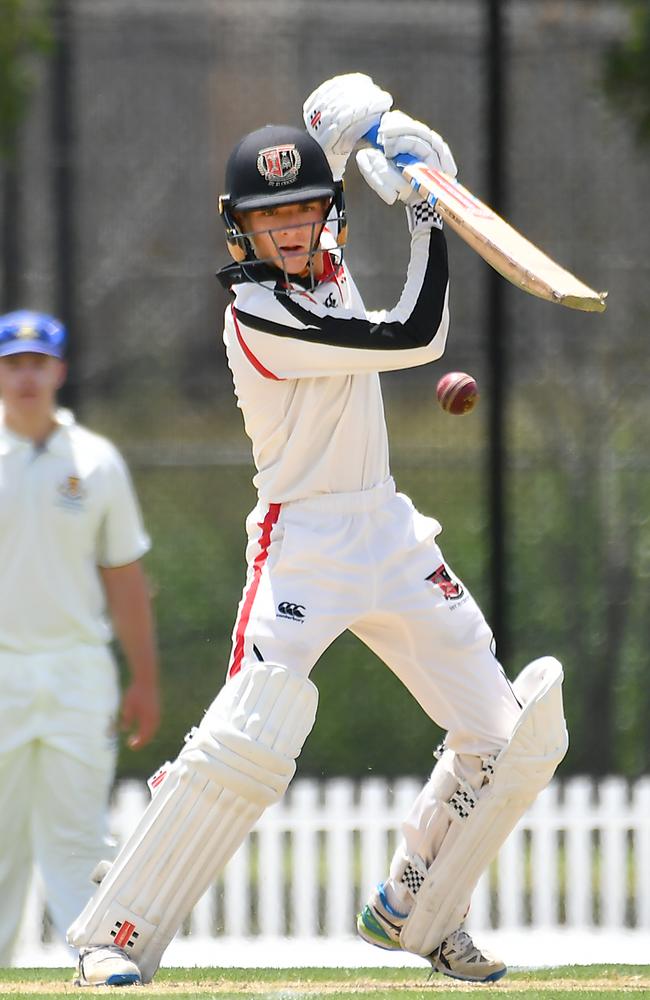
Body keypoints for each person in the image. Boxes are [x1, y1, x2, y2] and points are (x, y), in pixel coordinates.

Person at [67, 73, 567, 987]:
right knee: (247, 737)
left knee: (505, 737)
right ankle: (118, 931)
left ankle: (420, 906)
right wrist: (423, 212)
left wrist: (376, 128)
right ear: (241, 231)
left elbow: (327, 140)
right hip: (301, 544)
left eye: (305, 213)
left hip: (389, 529)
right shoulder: (257, 315)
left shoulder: (325, 256)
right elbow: (416, 333)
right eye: (271, 220)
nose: (292, 230)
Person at [0, 309, 160, 966]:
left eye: (38, 363)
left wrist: (145, 680)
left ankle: (94, 954)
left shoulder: (96, 462)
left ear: (59, 371)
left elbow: (123, 576)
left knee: (79, 833)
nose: (26, 376)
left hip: (77, 669)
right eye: (13, 364)